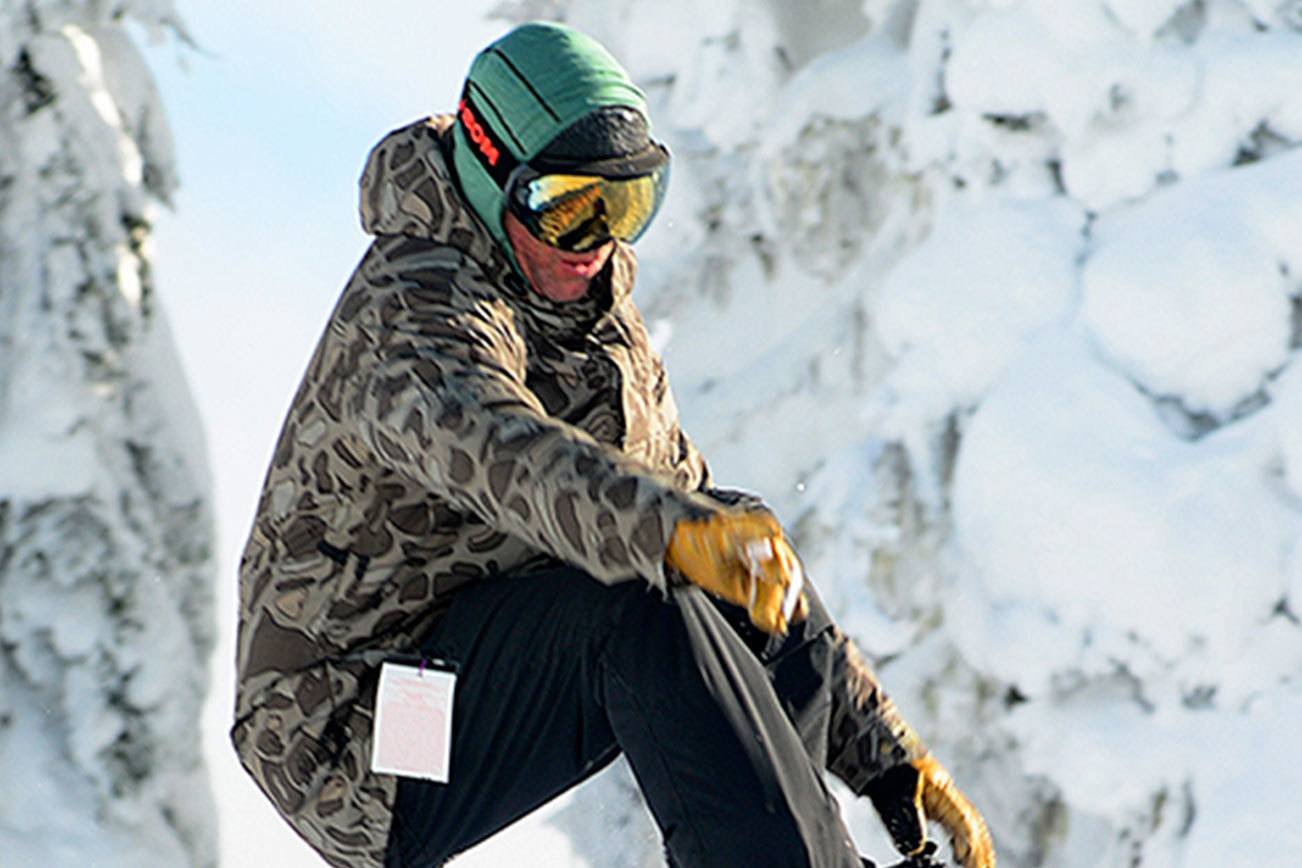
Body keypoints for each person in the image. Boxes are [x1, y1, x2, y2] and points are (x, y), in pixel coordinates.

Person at [232, 21, 996, 868]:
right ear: (493, 177)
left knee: (731, 540)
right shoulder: (413, 311)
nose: (596, 243)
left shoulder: (587, 316)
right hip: (354, 728)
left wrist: (883, 754)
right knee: (638, 601)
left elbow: (712, 531)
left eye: (628, 204)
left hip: (468, 651)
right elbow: (499, 449)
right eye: (567, 207)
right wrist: (666, 534)